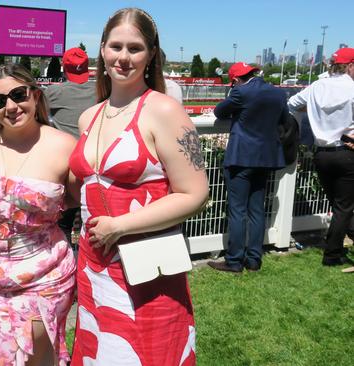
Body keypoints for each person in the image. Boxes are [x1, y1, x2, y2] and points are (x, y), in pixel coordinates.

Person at [68, 8, 208, 365]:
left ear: (151, 55)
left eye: (135, 48)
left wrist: (120, 225)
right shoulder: (91, 116)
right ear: (102, 49)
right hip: (93, 263)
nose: (124, 57)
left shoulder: (164, 111)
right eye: (116, 46)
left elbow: (195, 194)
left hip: (145, 267)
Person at [0, 64, 77, 366]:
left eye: (18, 95)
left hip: (45, 277)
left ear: (35, 95)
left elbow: (81, 200)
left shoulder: (64, 145)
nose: (10, 106)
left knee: (38, 361)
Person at [208, 62, 287, 273]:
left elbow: (219, 112)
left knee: (237, 211)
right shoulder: (278, 93)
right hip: (266, 159)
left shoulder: (240, 92)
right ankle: (254, 260)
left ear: (234, 80)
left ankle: (234, 261)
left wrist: (233, 92)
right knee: (256, 210)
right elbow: (284, 120)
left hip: (241, 158)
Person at [288, 47, 354, 268]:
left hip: (322, 154)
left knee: (340, 206)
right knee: (344, 207)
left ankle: (336, 246)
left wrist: (314, 113)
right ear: (350, 65)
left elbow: (291, 104)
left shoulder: (317, 86)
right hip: (347, 152)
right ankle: (332, 254)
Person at [45, 47, 97, 247]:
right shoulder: (99, 90)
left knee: (63, 223)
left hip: (66, 167)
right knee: (90, 221)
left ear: (63, 68)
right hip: (93, 164)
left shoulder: (54, 92)